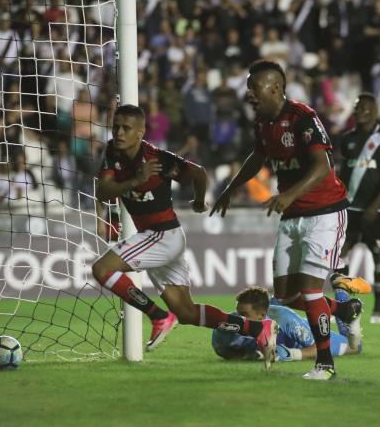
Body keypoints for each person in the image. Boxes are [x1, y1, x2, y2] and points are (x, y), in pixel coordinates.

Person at [211, 60, 369, 380]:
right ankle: (344, 310)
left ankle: (324, 364)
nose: (249, 93)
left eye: (254, 87)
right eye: (249, 87)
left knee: (310, 292)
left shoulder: (303, 117)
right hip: (292, 214)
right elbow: (258, 156)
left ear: (276, 88)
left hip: (324, 212)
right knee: (286, 295)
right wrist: (230, 188)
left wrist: (289, 194)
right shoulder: (261, 123)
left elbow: (323, 165)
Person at [92, 104, 278, 367]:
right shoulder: (113, 152)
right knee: (187, 312)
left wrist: (199, 201)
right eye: (116, 127)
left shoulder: (158, 160)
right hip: (158, 238)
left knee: (102, 269)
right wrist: (135, 180)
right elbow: (103, 191)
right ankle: (257, 329)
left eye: (126, 128)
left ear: (140, 132)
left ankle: (158, 316)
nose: (119, 133)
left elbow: (199, 173)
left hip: (162, 235)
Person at [333, 93, 380, 325]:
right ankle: (344, 306)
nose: (360, 111)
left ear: (374, 111)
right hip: (349, 208)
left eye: (365, 108)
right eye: (358, 107)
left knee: (379, 256)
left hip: (376, 211)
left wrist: (375, 205)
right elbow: (341, 172)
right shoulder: (347, 138)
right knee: (339, 256)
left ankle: (379, 310)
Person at [212, 287, 362, 362]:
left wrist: (293, 354)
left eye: (245, 315)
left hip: (299, 339)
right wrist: (246, 355)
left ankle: (345, 308)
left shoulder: (286, 320)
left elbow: (319, 346)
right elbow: (225, 352)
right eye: (239, 313)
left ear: (262, 316)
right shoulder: (225, 329)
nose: (239, 319)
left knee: (354, 347)